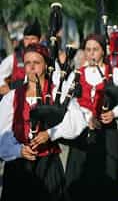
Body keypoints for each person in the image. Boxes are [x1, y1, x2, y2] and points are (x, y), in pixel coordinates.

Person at [0, 43, 87, 201]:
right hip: (18, 167)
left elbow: (77, 121)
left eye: (37, 63)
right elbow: (2, 135)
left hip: (48, 165)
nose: (32, 67)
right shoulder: (12, 97)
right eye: (27, 63)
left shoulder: (57, 93)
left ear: (46, 65)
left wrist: (51, 133)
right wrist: (18, 150)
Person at [63, 34, 118, 201]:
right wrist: (85, 118)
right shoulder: (75, 76)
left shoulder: (114, 74)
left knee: (108, 185)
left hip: (108, 137)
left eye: (95, 50)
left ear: (103, 52)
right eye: (88, 50)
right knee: (79, 183)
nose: (91, 54)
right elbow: (66, 104)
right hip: (81, 139)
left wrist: (116, 112)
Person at [0, 19, 42, 95]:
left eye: (33, 39)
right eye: (26, 39)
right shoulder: (13, 59)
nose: (29, 42)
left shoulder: (47, 60)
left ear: (39, 40)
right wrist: (4, 87)